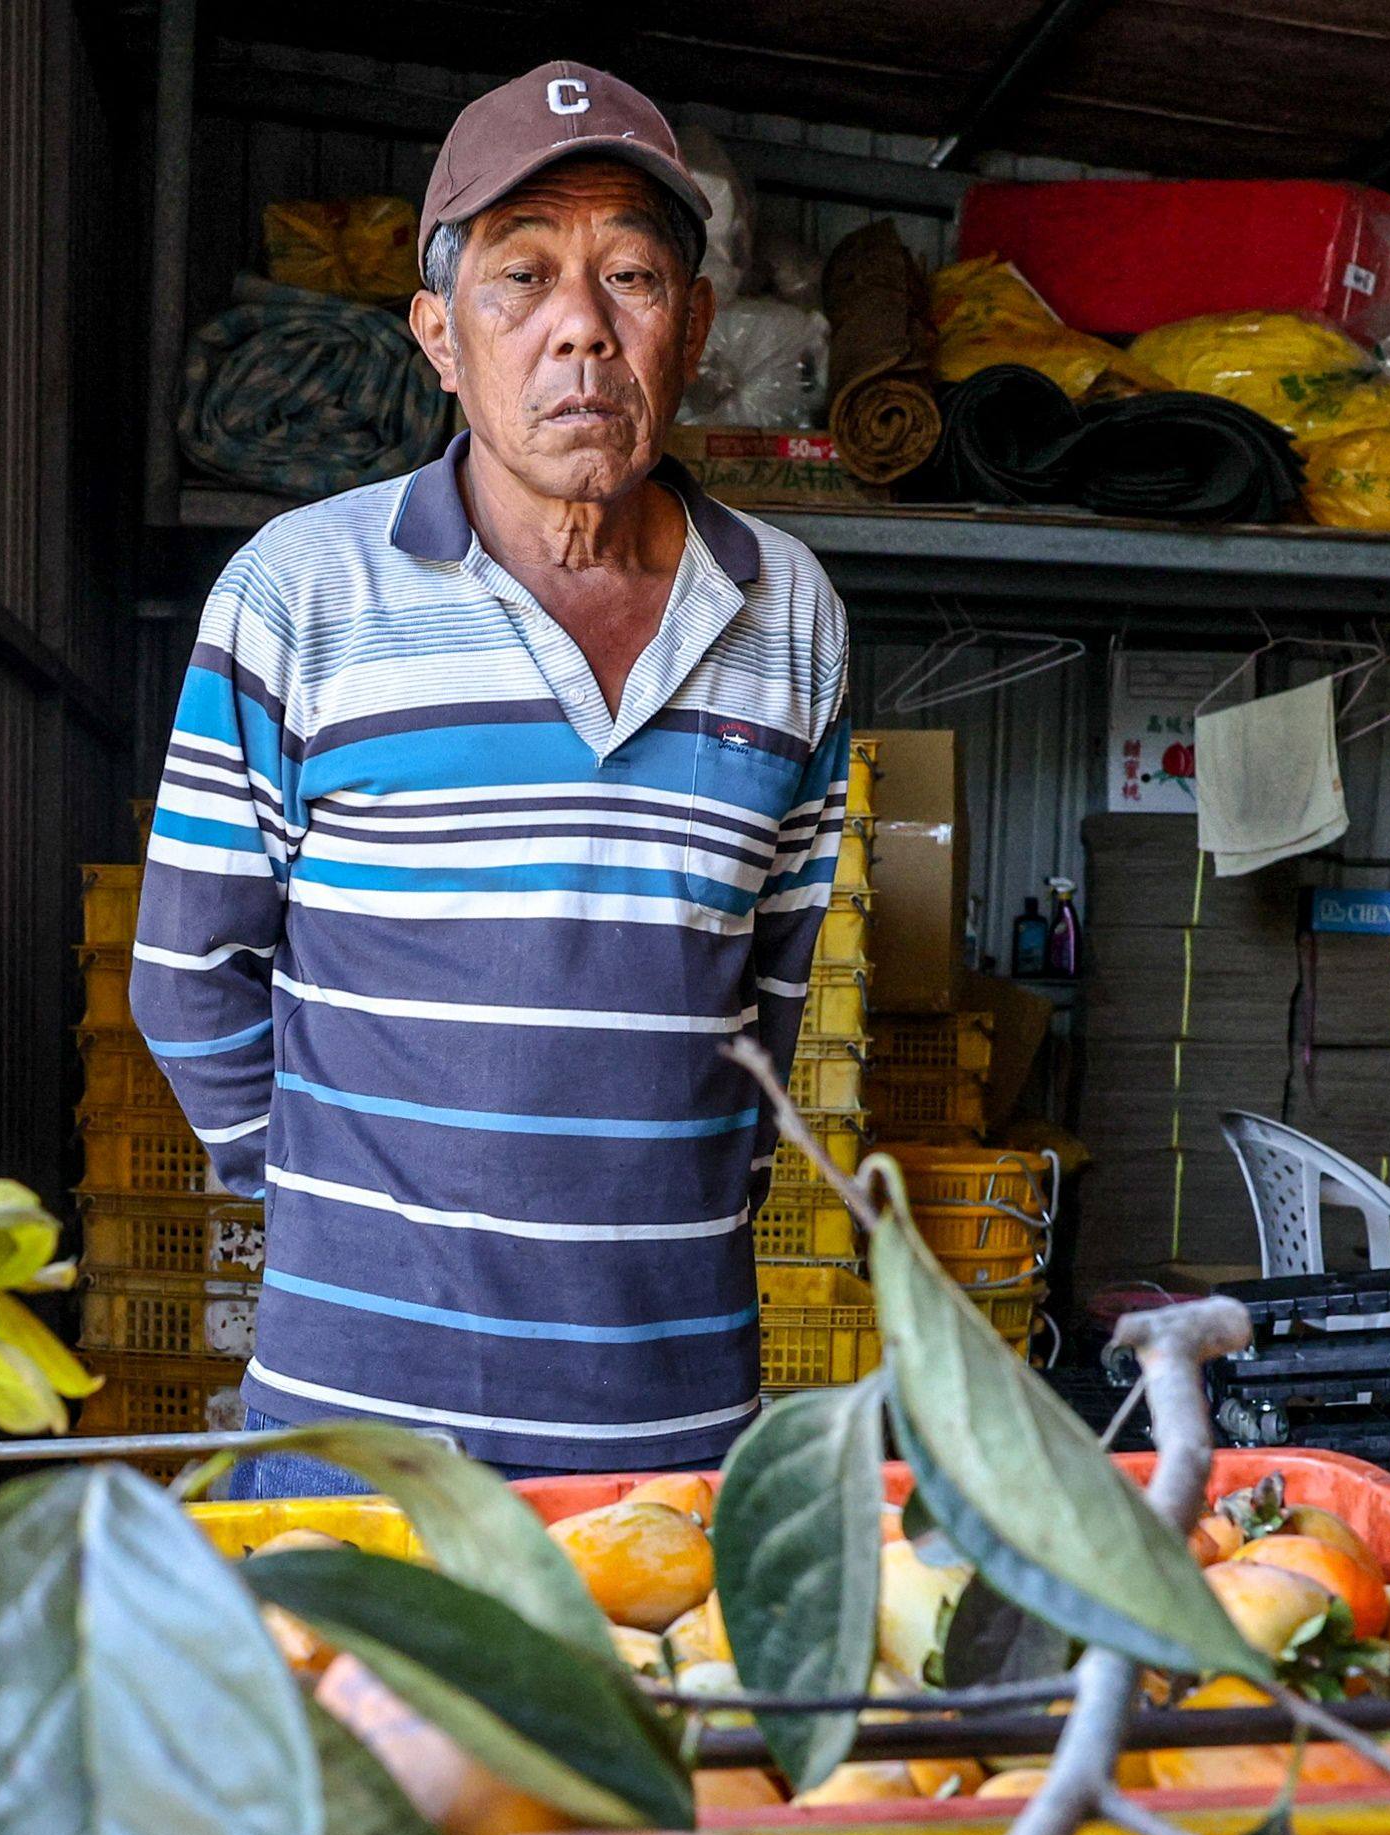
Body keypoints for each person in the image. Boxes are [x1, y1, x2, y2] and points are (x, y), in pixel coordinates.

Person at [134, 60, 853, 1495]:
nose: (579, 330)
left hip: (676, 1434)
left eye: (632, 277)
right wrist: (359, 1218)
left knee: (659, 1729)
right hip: (361, 1433)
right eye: (522, 277)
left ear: (694, 327)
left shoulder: (791, 616)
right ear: (440, 339)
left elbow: (765, 1001)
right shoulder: (298, 594)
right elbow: (184, 971)